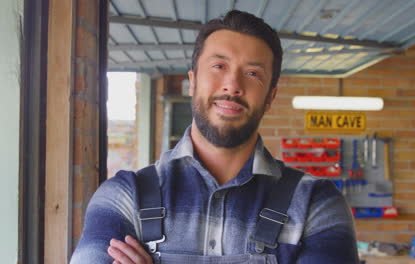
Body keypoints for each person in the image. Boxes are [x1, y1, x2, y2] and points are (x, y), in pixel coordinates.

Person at [70, 10, 359, 264]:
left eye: (253, 73)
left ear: (271, 95)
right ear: (193, 81)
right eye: (219, 66)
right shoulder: (123, 198)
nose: (233, 85)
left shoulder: (316, 205)